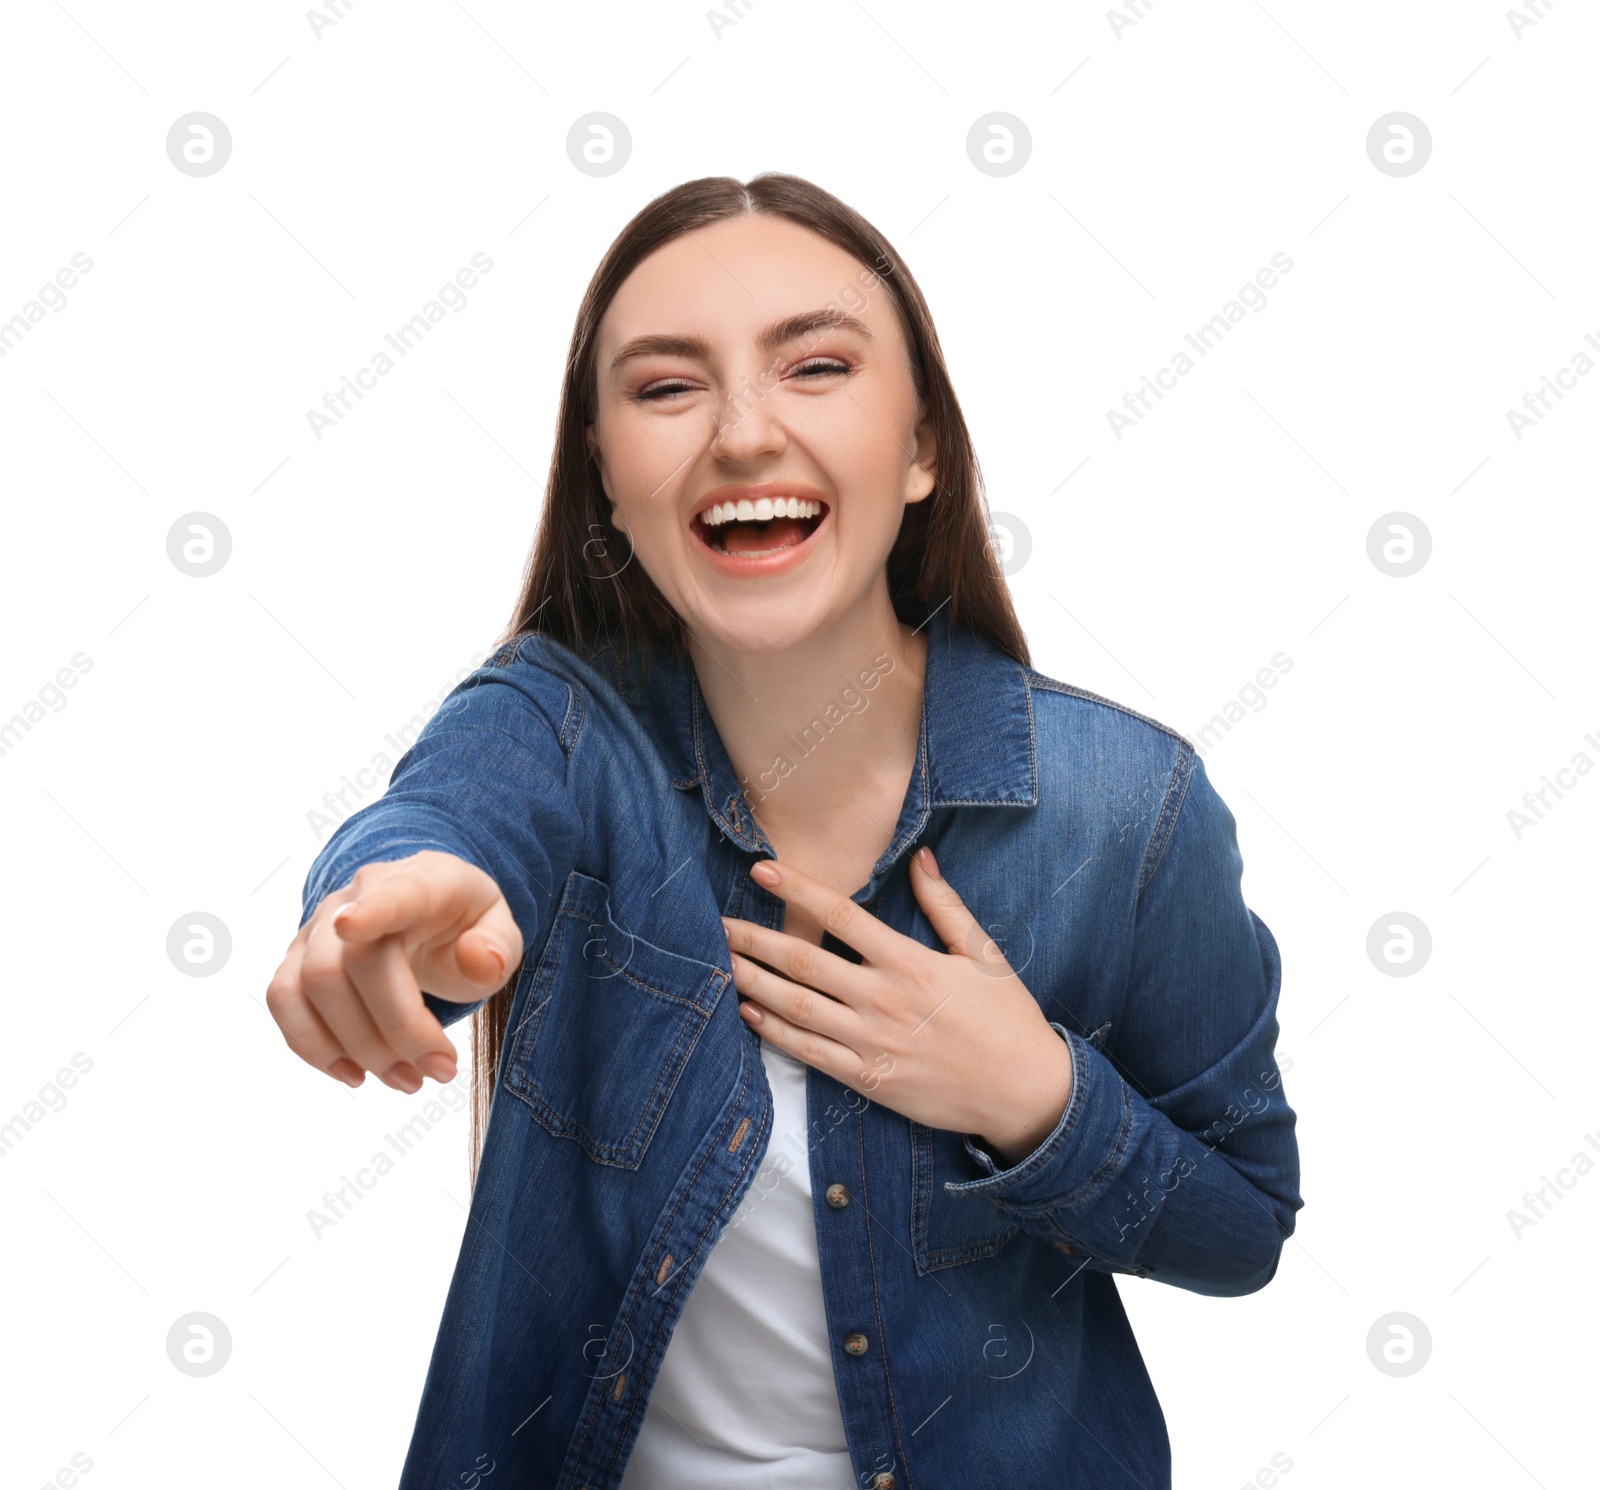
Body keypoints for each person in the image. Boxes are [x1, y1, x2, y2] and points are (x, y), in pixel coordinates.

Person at [266, 172, 1302, 1490]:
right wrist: (397, 900)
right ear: (608, 474)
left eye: (814, 365)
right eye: (664, 387)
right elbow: (451, 812)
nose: (745, 433)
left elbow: (1243, 1225)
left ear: (921, 444)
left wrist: (1034, 1095)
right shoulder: (560, 722)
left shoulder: (1129, 804)